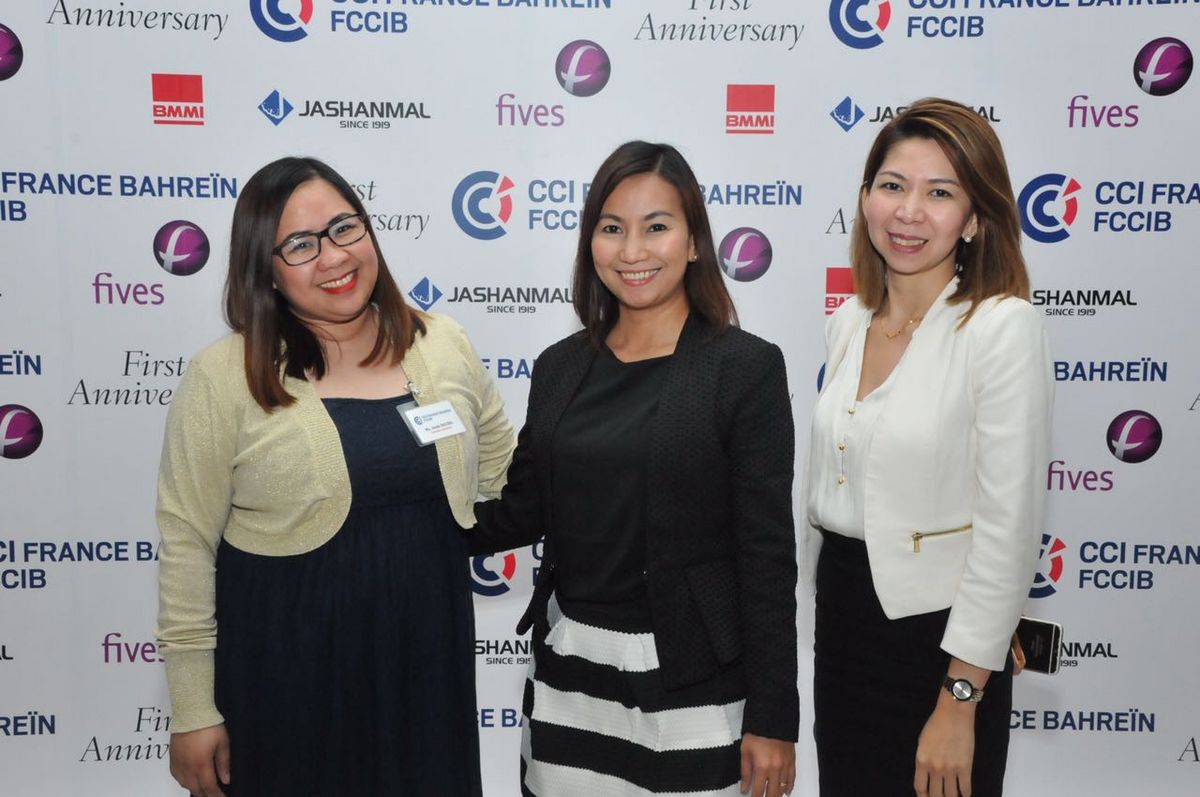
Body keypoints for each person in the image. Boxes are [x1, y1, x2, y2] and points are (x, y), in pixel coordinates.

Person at [155, 156, 514, 797]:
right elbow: (186, 545)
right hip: (286, 683)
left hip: (425, 671)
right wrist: (192, 709)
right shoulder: (222, 375)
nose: (333, 257)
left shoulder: (443, 343)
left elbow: (507, 473)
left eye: (345, 228)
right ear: (264, 268)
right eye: (300, 244)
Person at [468, 141, 799, 797]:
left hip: (694, 684)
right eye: (612, 228)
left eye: (657, 227)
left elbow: (765, 556)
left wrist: (773, 717)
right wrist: (397, 510)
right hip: (572, 671)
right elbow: (522, 509)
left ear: (694, 241)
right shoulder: (561, 366)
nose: (632, 250)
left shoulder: (745, 368)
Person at [802, 98, 1053, 797]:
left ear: (974, 217)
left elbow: (1008, 531)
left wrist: (960, 697)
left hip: (940, 644)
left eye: (940, 193)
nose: (909, 212)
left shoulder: (1001, 328)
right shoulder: (849, 320)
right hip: (843, 621)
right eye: (893, 186)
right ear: (865, 199)